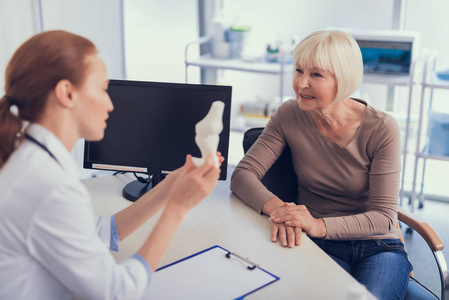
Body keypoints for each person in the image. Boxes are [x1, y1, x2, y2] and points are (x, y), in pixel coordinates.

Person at [0, 30, 223, 300]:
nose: (110, 104)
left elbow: (94, 232)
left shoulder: (31, 159)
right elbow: (117, 291)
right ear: (67, 93)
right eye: (103, 89)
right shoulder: (48, 187)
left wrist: (168, 189)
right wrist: (177, 208)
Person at [230, 29, 412, 300]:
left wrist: (318, 225)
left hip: (377, 245)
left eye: (316, 74)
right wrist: (281, 210)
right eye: (299, 70)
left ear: (344, 78)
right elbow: (242, 174)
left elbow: (385, 216)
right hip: (319, 245)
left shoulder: (382, 128)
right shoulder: (288, 114)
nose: (301, 83)